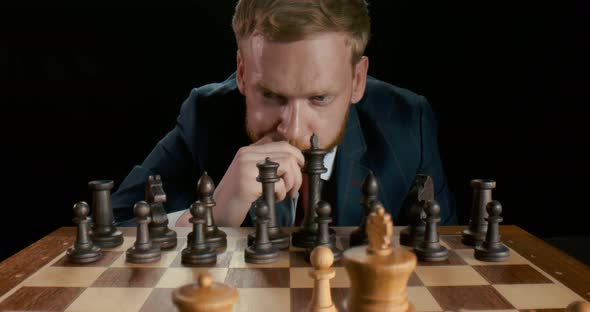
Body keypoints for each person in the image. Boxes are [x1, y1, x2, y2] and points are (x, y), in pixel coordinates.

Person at [111, 0, 458, 227]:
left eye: (319, 98)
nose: (293, 129)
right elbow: (111, 231)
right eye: (272, 96)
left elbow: (446, 258)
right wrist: (217, 210)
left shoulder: (408, 123)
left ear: (356, 80)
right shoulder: (205, 115)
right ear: (243, 73)